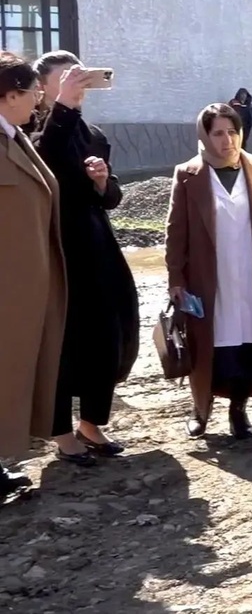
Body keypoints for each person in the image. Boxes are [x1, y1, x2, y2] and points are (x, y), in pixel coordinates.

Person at [165, 103, 252, 440]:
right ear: (205, 136)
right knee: (208, 345)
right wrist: (176, 279)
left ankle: (238, 411)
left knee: (247, 343)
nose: (227, 140)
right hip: (208, 278)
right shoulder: (188, 174)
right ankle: (201, 409)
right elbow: (176, 232)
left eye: (232, 132)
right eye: (218, 133)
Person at [30, 51, 139, 466]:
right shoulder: (32, 129)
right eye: (65, 78)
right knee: (62, 340)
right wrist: (64, 108)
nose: (76, 85)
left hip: (97, 245)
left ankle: (92, 423)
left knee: (107, 333)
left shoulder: (92, 133)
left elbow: (112, 197)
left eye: (79, 77)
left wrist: (101, 183)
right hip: (57, 248)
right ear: (43, 86)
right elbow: (46, 156)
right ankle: (60, 431)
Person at [0, 52, 65, 502]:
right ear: (9, 96)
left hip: (22, 289)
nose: (38, 99)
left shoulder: (15, 136)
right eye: (32, 92)